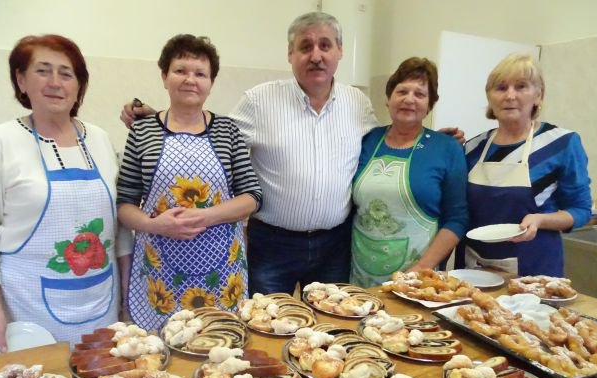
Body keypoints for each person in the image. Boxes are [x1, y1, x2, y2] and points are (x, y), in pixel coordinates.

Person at [120, 12, 464, 295]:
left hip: (335, 245)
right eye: (305, 46)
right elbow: (212, 135)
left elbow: (385, 140)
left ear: (340, 52)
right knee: (268, 330)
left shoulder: (357, 103)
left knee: (331, 329)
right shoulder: (260, 100)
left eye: (325, 45)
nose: (316, 55)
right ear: (290, 54)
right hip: (273, 244)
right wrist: (159, 121)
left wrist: (433, 141)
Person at [0, 34, 132, 354]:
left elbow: (119, 225)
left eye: (66, 74)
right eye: (42, 71)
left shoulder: (98, 138)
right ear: (21, 80)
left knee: (102, 376)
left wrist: (128, 291)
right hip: (28, 305)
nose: (55, 82)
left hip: (102, 301)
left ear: (79, 86)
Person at [116, 34, 262, 330]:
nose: (190, 80)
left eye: (200, 73)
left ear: (211, 82)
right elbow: (124, 204)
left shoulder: (227, 130)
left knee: (219, 341)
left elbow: (252, 196)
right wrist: (155, 225)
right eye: (180, 70)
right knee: (162, 346)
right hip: (160, 274)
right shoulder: (143, 131)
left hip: (222, 271)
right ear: (164, 76)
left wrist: (206, 216)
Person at [456, 54, 592, 276]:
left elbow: (580, 211)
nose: (510, 96)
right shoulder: (472, 148)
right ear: (490, 97)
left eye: (521, 87)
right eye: (501, 88)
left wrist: (541, 220)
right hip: (473, 266)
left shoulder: (561, 144)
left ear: (538, 95)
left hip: (535, 267)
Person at [351, 58, 468, 287]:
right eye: (402, 91)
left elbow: (457, 219)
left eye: (420, 94)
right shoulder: (367, 140)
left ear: (430, 105)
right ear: (389, 98)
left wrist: (421, 268)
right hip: (359, 273)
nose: (409, 99)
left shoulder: (447, 148)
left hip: (417, 279)